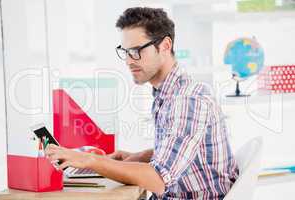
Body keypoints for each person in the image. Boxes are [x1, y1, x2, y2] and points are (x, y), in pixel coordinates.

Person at [45, 7, 239, 200]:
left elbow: (157, 179)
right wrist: (140, 156)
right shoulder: (168, 93)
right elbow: (185, 151)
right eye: (126, 52)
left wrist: (90, 160)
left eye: (137, 51)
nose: (129, 61)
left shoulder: (187, 100)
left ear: (164, 45)